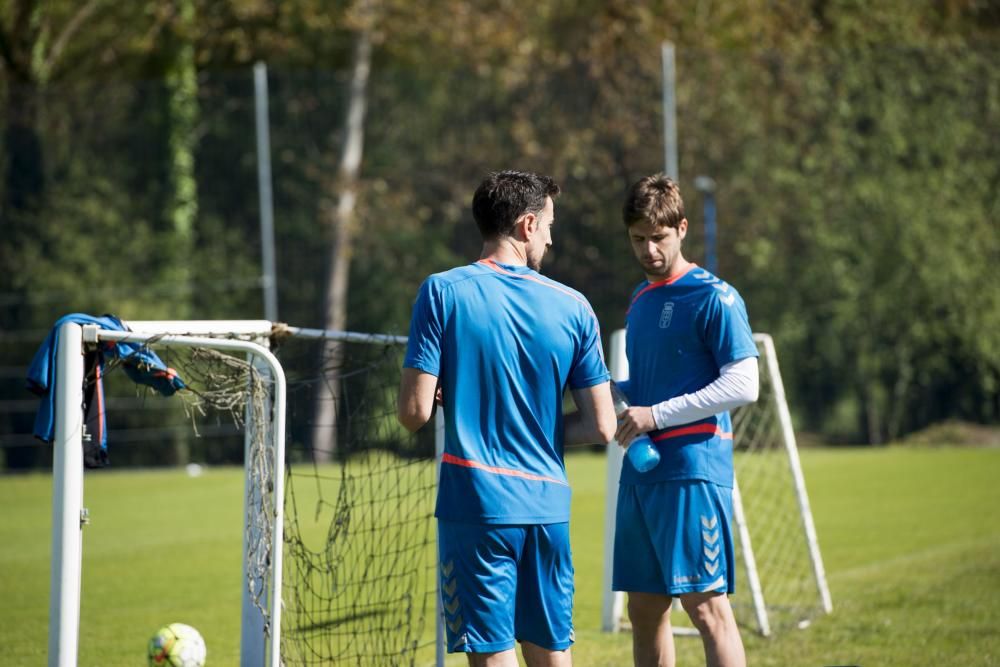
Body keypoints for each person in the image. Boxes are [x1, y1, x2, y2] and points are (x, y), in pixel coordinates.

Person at [397, 170, 617, 667]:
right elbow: (602, 426)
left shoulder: (442, 292)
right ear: (525, 224)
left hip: (476, 505)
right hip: (547, 506)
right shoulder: (575, 307)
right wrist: (530, 429)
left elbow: (413, 414)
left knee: (493, 657)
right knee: (550, 656)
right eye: (548, 227)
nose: (550, 238)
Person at [611, 174, 759, 667]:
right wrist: (611, 393)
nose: (649, 249)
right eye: (638, 239)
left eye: (659, 237)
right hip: (642, 474)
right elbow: (649, 386)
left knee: (707, 608)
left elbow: (743, 385)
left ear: (682, 229)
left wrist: (655, 415)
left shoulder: (715, 296)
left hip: (692, 471)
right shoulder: (639, 300)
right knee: (644, 608)